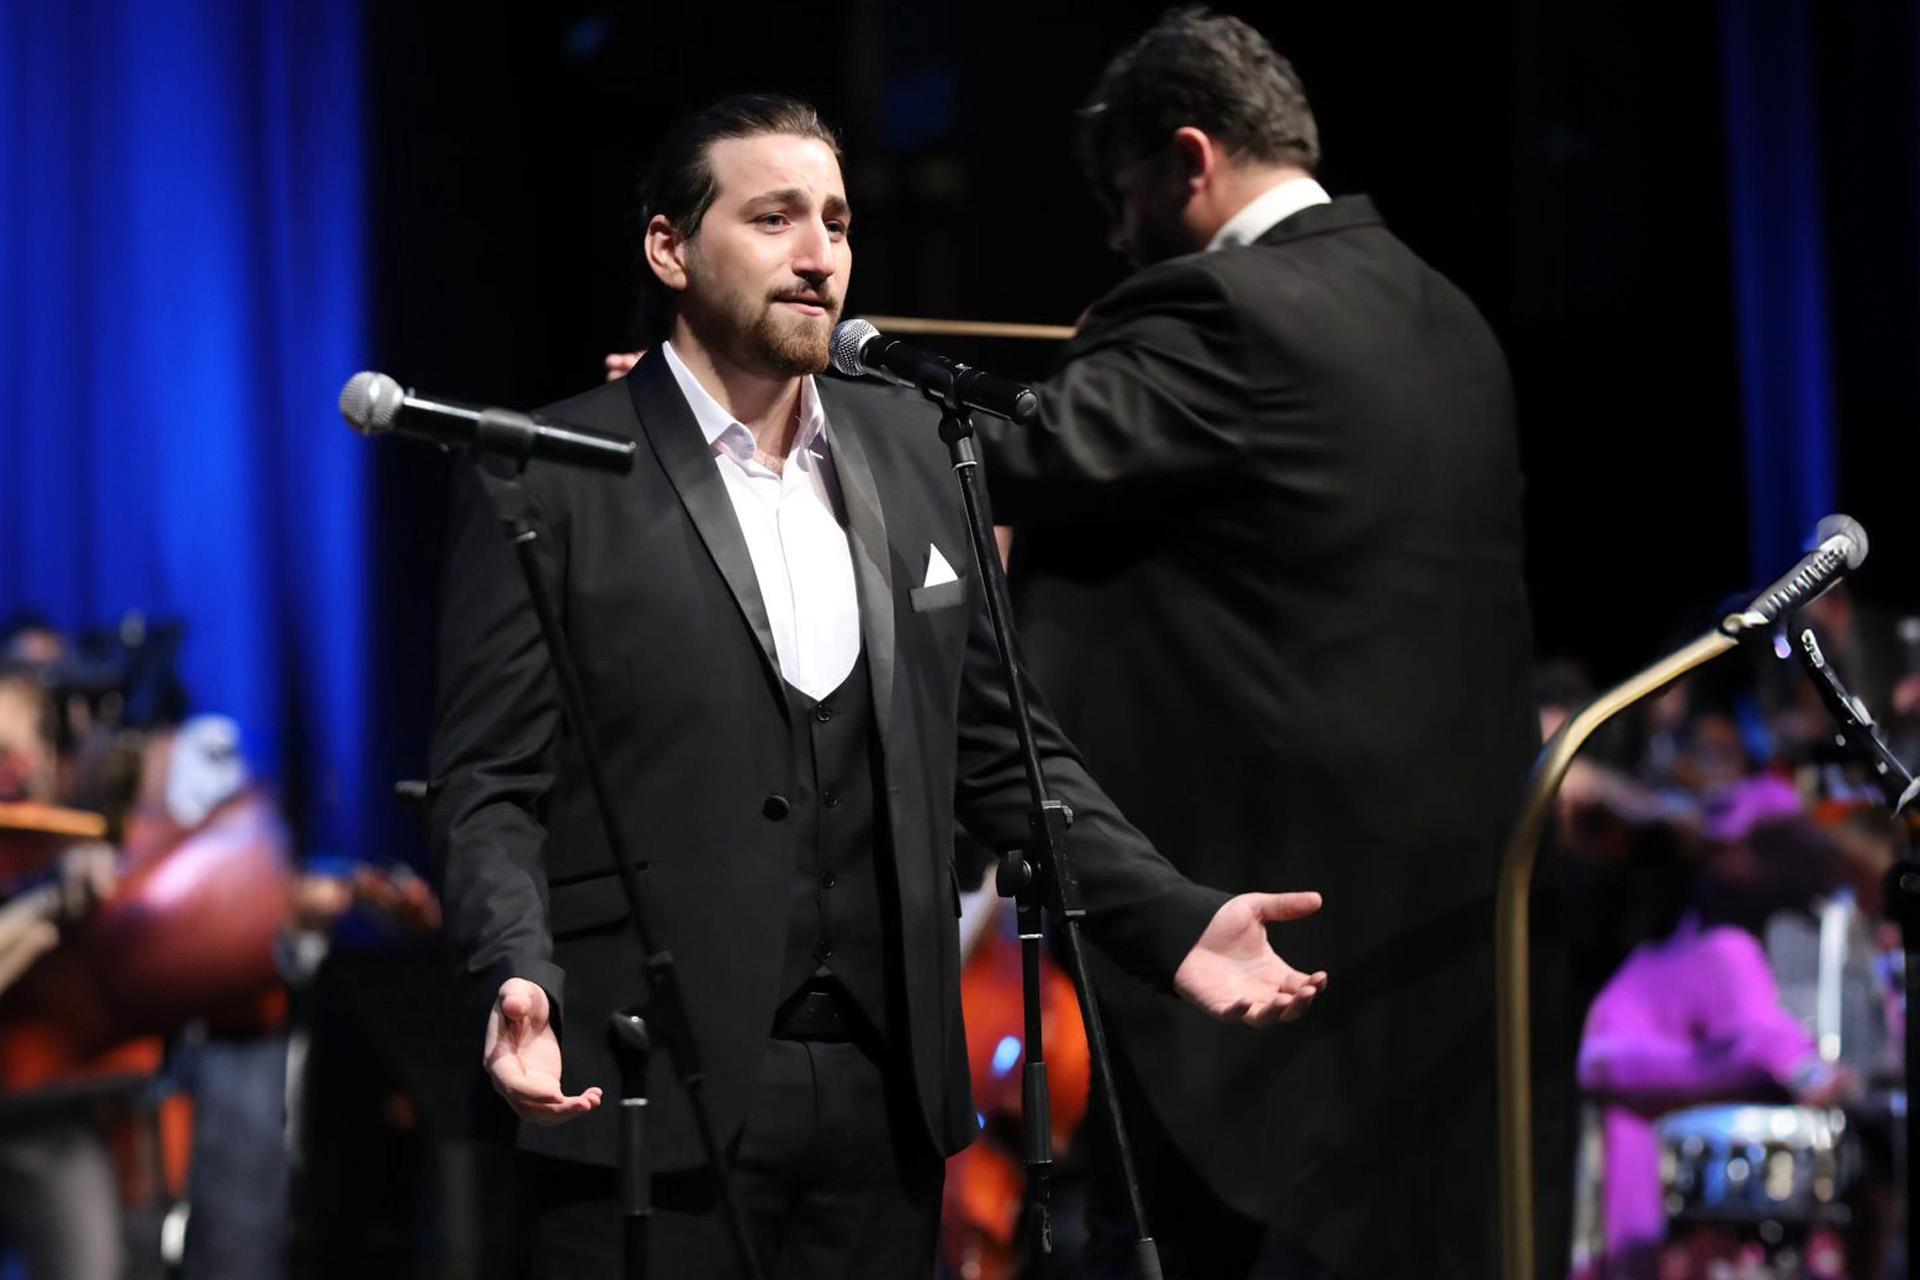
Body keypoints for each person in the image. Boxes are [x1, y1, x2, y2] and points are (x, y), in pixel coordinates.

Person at [427, 92, 1328, 1280]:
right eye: (774, 218)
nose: (819, 254)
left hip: (884, 1097)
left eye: (838, 222)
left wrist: (1170, 918)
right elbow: (488, 781)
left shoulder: (916, 449)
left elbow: (1004, 750)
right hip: (646, 1081)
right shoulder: (553, 470)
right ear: (669, 248)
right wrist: (513, 963)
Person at [958, 11, 1546, 1280]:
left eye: (1122, 199)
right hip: (1445, 939)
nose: (1117, 238)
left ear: (1188, 158)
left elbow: (1013, 453)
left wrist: (786, 409)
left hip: (1256, 929)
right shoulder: (1450, 315)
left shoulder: (1222, 308)